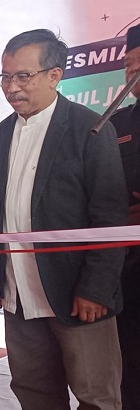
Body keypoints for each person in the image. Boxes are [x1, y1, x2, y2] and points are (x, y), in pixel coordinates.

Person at [0, 29, 126, 409]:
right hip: (19, 295)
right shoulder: (1, 134)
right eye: (5, 77)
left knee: (96, 396)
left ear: (54, 76)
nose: (11, 88)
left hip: (76, 295)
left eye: (22, 76)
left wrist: (96, 288)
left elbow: (109, 217)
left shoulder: (90, 129)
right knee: (34, 393)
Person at [109, 23, 140, 410]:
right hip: (128, 270)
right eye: (129, 66)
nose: (133, 74)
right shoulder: (115, 125)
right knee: (129, 366)